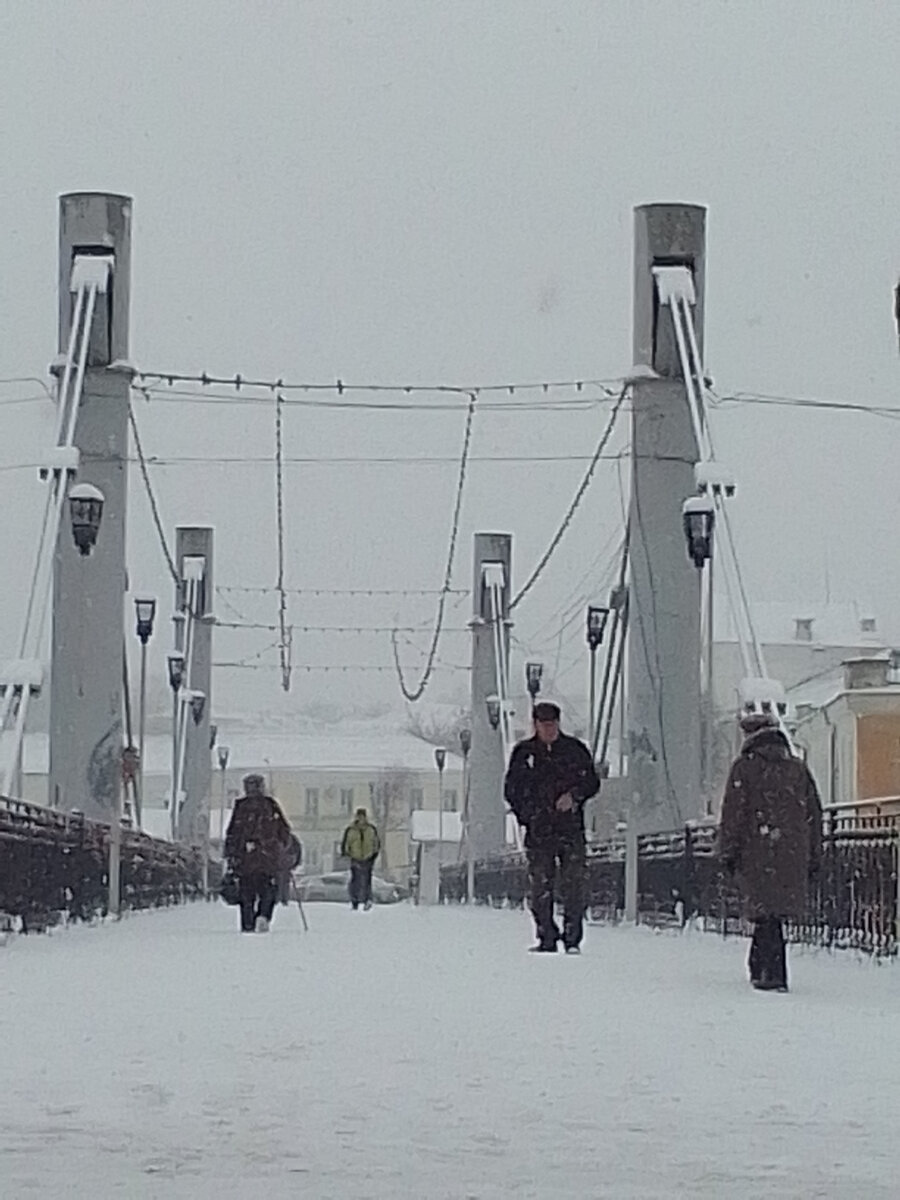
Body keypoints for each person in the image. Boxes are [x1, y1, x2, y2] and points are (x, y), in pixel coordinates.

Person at [719, 713, 823, 992]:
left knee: (765, 912)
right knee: (774, 914)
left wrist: (727, 851)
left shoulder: (744, 768)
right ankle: (769, 970)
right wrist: (813, 853)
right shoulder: (797, 769)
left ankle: (767, 972)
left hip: (757, 849)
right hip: (792, 850)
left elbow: (734, 813)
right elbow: (814, 813)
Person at [504, 701, 601, 953]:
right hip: (539, 832)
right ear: (535, 725)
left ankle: (572, 938)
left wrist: (575, 796)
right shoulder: (524, 754)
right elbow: (512, 790)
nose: (549, 729)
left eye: (553, 724)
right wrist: (529, 815)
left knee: (574, 884)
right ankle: (546, 935)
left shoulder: (575, 751)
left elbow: (591, 781)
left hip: (570, 830)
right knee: (540, 887)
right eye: (544, 725)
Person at [224, 774, 293, 933]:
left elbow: (232, 833)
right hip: (266, 858)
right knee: (267, 891)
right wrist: (283, 847)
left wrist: (231, 855)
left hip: (246, 860)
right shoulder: (270, 805)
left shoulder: (241, 807)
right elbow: (284, 831)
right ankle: (263, 915)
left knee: (247, 894)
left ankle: (248, 923)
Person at [340, 808, 381, 910]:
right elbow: (346, 844)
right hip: (355, 858)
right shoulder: (350, 830)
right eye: (359, 816)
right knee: (355, 880)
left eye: (363, 816)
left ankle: (367, 900)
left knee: (367, 880)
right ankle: (355, 901)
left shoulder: (371, 829)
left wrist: (373, 855)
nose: (361, 818)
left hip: (368, 858)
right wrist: (347, 854)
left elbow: (376, 843)